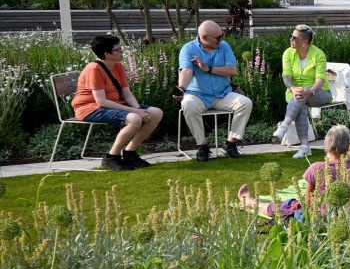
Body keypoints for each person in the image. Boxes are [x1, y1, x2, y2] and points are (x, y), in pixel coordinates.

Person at [71, 34, 164, 171]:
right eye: (118, 50)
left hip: (113, 103)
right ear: (107, 54)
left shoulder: (118, 66)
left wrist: (138, 108)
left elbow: (126, 93)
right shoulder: (94, 69)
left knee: (155, 113)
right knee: (134, 119)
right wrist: (135, 111)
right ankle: (111, 157)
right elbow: (101, 101)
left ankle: (130, 153)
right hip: (89, 108)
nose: (122, 52)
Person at [178, 20, 252, 162]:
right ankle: (202, 146)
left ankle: (230, 143)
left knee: (245, 103)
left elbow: (232, 70)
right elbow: (186, 71)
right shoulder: (188, 49)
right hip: (197, 95)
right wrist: (181, 89)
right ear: (205, 38)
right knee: (187, 104)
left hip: (222, 94)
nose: (221, 39)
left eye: (221, 35)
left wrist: (209, 68)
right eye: (218, 37)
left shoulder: (224, 47)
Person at [271, 24, 330, 159]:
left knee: (301, 96)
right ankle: (304, 147)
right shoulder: (288, 53)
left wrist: (311, 91)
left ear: (304, 41)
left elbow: (320, 80)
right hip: (295, 94)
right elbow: (286, 77)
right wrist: (292, 88)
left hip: (320, 93)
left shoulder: (318, 54)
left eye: (294, 37)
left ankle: (284, 124)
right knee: (300, 101)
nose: (290, 39)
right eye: (291, 36)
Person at [303, 124, 350, 220]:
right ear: (348, 145)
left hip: (327, 221)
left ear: (326, 144)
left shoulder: (315, 168)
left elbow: (308, 204)